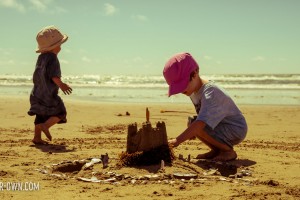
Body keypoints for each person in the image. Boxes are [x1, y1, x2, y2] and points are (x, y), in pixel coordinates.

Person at [163, 52, 247, 161]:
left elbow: (201, 123)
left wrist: (177, 141)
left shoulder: (210, 93)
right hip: (219, 125)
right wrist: (192, 130)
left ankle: (228, 151)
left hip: (234, 128)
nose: (181, 90)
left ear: (195, 73)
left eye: (182, 85)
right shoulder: (193, 91)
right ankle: (217, 150)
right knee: (192, 123)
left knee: (197, 126)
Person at [28, 25, 72, 145]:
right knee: (60, 112)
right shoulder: (53, 59)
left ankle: (37, 137)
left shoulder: (41, 58)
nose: (60, 47)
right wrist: (61, 85)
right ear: (55, 46)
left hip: (36, 93)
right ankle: (46, 126)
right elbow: (53, 75)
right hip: (48, 94)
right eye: (60, 44)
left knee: (40, 114)